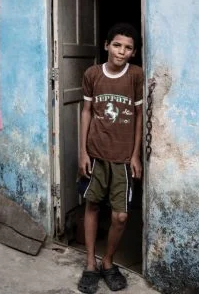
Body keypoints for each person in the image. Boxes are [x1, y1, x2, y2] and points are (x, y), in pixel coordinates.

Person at [77, 23, 144, 293]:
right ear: (106, 45)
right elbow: (86, 112)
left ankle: (108, 261)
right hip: (95, 154)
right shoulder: (92, 74)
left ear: (134, 52)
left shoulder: (136, 75)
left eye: (128, 48)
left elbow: (139, 116)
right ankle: (90, 264)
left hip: (123, 158)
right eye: (117, 45)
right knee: (92, 206)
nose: (121, 51)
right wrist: (82, 152)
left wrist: (135, 154)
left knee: (120, 216)